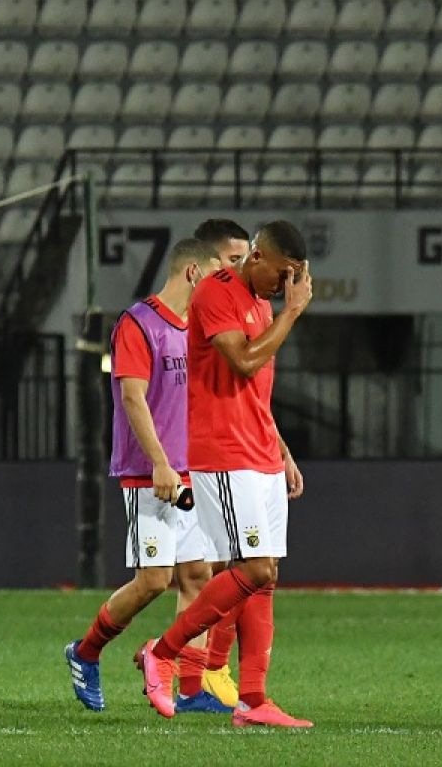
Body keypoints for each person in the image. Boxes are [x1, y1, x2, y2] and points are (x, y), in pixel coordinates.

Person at [136, 220, 313, 728]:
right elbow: (243, 363)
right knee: (252, 569)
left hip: (257, 452)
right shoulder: (218, 293)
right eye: (283, 273)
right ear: (257, 258)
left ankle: (254, 701)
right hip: (223, 452)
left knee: (267, 579)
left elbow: (257, 394)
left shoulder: (262, 304)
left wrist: (280, 450)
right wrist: (293, 313)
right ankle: (164, 651)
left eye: (295, 277)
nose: (286, 285)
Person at [64, 239, 231, 714]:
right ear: (195, 274)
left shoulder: (195, 330)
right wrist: (159, 461)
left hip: (189, 471)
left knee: (199, 575)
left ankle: (191, 687)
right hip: (150, 473)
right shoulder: (140, 324)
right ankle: (86, 651)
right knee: (155, 580)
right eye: (218, 279)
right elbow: (133, 398)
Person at [188, 217, 253, 709]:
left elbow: (253, 394)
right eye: (235, 260)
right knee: (217, 568)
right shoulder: (189, 313)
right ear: (206, 264)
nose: (244, 268)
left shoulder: (243, 308)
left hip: (228, 449)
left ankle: (204, 670)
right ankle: (191, 666)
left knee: (232, 564)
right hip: (195, 453)